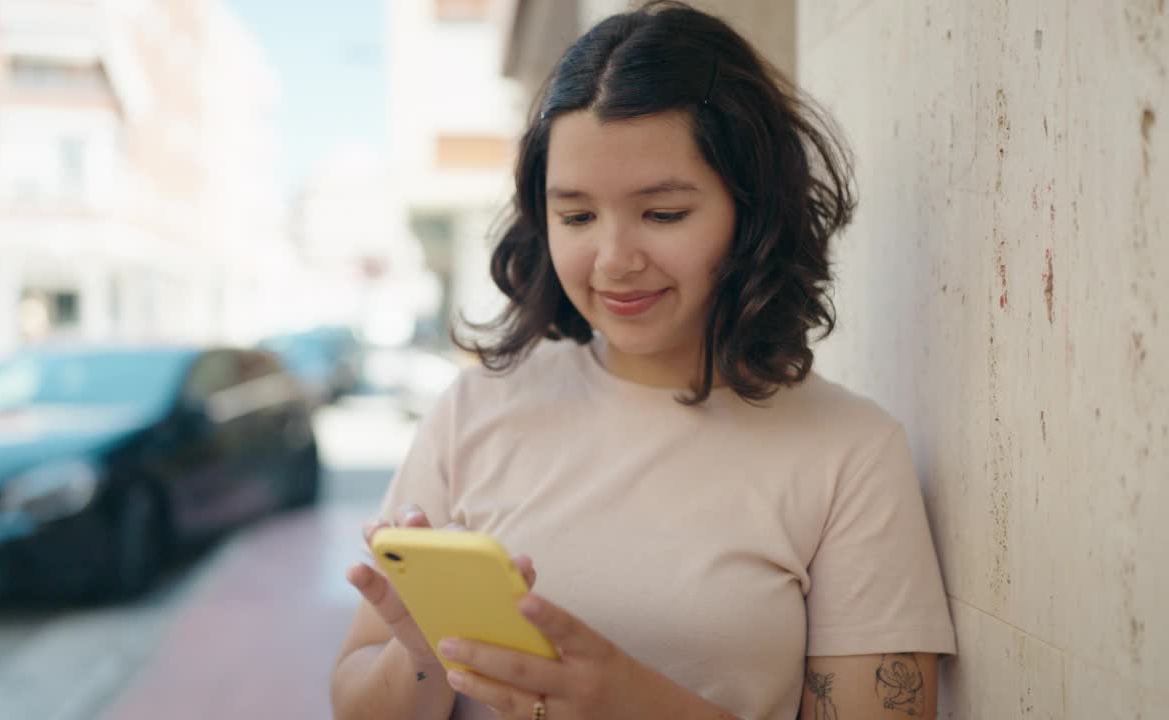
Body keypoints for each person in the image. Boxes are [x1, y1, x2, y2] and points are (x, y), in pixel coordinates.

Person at [332, 2, 956, 718]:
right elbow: (353, 700)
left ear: (752, 215)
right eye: (576, 216)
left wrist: (631, 701)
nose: (614, 261)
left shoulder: (850, 451)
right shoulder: (472, 409)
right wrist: (423, 655)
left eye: (663, 214)